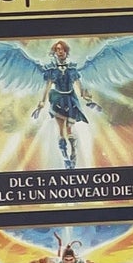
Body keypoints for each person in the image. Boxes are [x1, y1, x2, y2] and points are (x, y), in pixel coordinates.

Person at [34, 40, 93, 170]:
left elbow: (79, 86)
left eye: (62, 49)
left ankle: (73, 152)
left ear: (66, 51)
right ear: (54, 52)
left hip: (71, 99)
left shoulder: (72, 68)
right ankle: (65, 157)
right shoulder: (51, 69)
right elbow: (48, 86)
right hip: (57, 99)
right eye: (57, 49)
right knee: (61, 130)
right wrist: (42, 102)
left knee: (69, 129)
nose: (60, 52)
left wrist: (86, 97)